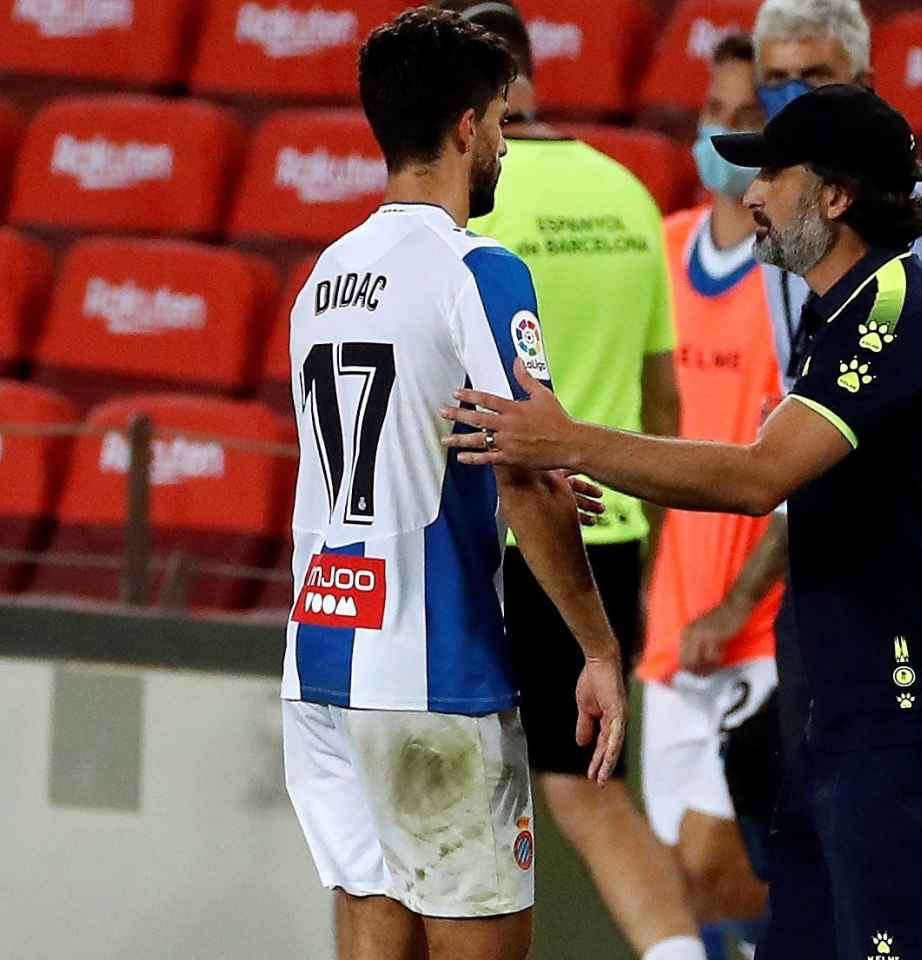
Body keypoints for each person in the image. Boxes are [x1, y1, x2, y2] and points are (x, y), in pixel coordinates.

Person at [443, 84, 922, 960]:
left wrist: (570, 440)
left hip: (920, 712)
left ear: (835, 196)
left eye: (773, 174)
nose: (748, 193)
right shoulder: (832, 310)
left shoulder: (891, 311)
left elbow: (761, 476)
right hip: (850, 701)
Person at [281, 10, 627, 960]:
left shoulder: (324, 275)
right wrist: (596, 646)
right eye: (504, 124)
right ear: (469, 126)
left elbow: (398, 455)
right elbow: (524, 475)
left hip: (322, 658)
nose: (506, 146)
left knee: (369, 926)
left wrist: (526, 479)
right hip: (433, 667)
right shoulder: (480, 269)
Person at [425, 6, 706, 960]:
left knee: (456, 791)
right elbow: (663, 398)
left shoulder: (466, 200)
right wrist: (653, 534)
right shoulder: (630, 194)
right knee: (591, 789)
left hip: (496, 532)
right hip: (613, 526)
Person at [729, 0, 922, 815]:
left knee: (895, 813)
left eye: (815, 78)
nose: (792, 97)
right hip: (831, 549)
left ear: (867, 86)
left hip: (911, 560)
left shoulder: (920, 206)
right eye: (776, 81)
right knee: (814, 798)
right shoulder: (782, 209)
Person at [640, 32, 774, 948]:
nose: (723, 133)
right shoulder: (659, 249)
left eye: (747, 119)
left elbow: (806, 474)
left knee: (705, 871)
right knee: (684, 898)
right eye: (713, 114)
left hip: (757, 634)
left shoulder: (794, 277)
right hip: (665, 640)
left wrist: (732, 608)